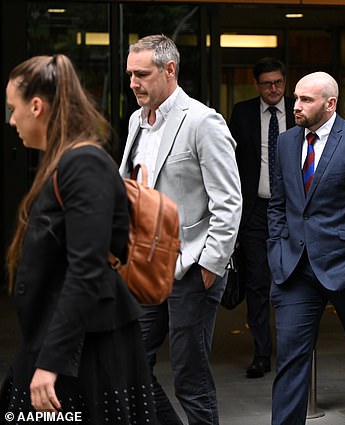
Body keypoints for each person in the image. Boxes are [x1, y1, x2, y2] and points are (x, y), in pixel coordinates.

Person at [1, 54, 157, 424]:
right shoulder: (64, 161)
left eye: (13, 108)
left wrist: (51, 363)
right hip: (70, 343)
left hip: (86, 351)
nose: (11, 120)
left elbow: (85, 270)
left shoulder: (82, 164)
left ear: (36, 106)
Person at [119, 35, 242, 425]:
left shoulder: (202, 121)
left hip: (191, 266)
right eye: (130, 75)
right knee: (127, 361)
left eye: (142, 74)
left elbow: (229, 201)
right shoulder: (136, 122)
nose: (134, 83)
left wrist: (209, 265)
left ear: (169, 70)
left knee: (190, 376)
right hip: (145, 267)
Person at [267, 71, 345, 425]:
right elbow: (279, 203)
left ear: (330, 104)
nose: (296, 105)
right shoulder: (287, 142)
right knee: (289, 360)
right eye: (296, 98)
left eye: (306, 100)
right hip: (295, 269)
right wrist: (276, 250)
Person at [229, 57, 295, 379]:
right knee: (257, 283)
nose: (273, 89)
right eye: (267, 83)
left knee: (293, 281)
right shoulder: (242, 114)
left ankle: (293, 350)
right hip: (256, 210)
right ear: (257, 85)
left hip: (292, 210)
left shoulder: (300, 112)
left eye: (278, 82)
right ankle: (261, 351)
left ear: (285, 82)